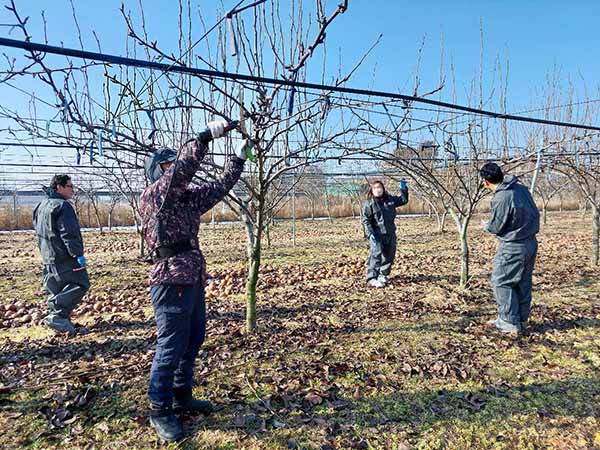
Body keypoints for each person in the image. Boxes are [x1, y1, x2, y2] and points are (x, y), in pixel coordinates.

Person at [139, 120, 251, 442]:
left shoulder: (186, 200)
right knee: (171, 345)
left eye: (175, 161)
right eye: (168, 164)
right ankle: (159, 408)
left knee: (193, 339)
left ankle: (181, 394)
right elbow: (183, 170)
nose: (174, 166)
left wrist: (238, 160)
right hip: (169, 279)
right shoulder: (155, 196)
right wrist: (204, 138)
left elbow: (218, 187)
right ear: (159, 171)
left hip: (191, 277)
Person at [480, 162, 540, 334]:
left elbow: (496, 227)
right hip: (530, 242)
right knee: (523, 282)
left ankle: (508, 322)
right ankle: (520, 319)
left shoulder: (502, 197)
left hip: (514, 245)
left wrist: (486, 225)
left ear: (485, 181)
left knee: (501, 281)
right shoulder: (521, 189)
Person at [32, 174, 90, 334]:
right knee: (80, 284)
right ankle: (57, 316)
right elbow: (69, 233)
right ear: (59, 187)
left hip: (48, 257)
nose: (73, 190)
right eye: (70, 186)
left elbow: (38, 231)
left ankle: (61, 321)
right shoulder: (63, 206)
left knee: (56, 288)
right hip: (64, 257)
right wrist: (77, 254)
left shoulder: (40, 206)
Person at [361, 179, 409, 288]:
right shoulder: (369, 204)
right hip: (377, 234)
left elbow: (403, 200)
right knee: (376, 255)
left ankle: (383, 274)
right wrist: (370, 234)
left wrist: (403, 188)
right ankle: (372, 277)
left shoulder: (390, 200)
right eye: (375, 188)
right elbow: (365, 220)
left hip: (390, 233)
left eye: (379, 188)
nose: (378, 190)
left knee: (389, 254)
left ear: (383, 189)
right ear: (372, 191)